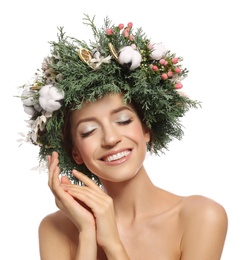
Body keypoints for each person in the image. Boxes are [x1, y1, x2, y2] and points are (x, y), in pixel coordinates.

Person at [19, 14, 228, 260]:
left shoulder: (200, 216)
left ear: (147, 129)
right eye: (88, 131)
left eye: (123, 121)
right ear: (75, 151)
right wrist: (87, 233)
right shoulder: (57, 229)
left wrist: (112, 244)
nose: (110, 139)